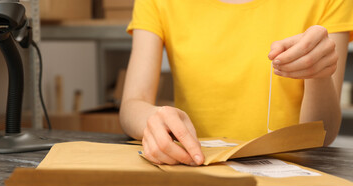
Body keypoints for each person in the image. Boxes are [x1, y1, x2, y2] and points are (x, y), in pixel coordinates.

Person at [119, 0, 353, 166]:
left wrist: (318, 75)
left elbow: (323, 133)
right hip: (195, 169)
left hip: (293, 178)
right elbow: (133, 103)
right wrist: (153, 119)